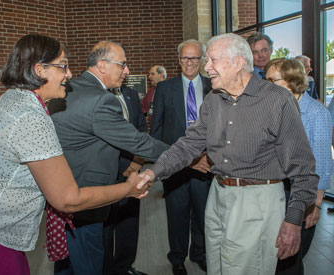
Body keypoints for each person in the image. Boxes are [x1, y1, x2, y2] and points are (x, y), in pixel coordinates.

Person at [0, 34, 149, 275]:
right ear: (39, 70)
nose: (69, 74)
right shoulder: (30, 116)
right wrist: (128, 189)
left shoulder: (13, 101)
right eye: (63, 66)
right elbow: (67, 199)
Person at [137, 33, 319, 275]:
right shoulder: (213, 100)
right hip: (218, 194)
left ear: (237, 63)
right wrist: (152, 171)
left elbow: (304, 169)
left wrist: (293, 221)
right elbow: (188, 144)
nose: (206, 66)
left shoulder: (277, 100)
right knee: (218, 267)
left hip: (257, 201)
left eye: (212, 60)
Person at [51, 41, 169, 275]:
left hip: (63, 190)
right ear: (102, 65)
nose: (127, 71)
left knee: (68, 264)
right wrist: (184, 153)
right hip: (85, 198)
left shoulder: (69, 87)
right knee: (88, 264)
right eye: (122, 64)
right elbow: (138, 142)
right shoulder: (100, 99)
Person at [150, 39, 212, 275]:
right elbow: (157, 129)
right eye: (185, 58)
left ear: (202, 60)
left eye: (194, 58)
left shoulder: (212, 86)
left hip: (206, 162)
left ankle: (200, 253)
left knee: (202, 212)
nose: (189, 62)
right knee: (176, 214)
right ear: (178, 60)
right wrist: (162, 163)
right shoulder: (165, 88)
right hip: (175, 164)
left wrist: (209, 156)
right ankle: (177, 259)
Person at [265, 58, 332, 275]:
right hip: (276, 190)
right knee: (278, 253)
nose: (266, 85)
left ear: (291, 81)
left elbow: (321, 161)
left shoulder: (316, 113)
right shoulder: (274, 109)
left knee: (290, 257)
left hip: (302, 194)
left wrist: (316, 204)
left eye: (272, 80)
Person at [103, 85, 148, 275]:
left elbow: (141, 128)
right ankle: (105, 270)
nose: (125, 70)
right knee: (105, 227)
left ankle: (124, 268)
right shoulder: (96, 95)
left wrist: (137, 162)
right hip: (105, 172)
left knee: (128, 222)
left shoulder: (130, 94)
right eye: (121, 65)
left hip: (132, 170)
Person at [141, 65, 167, 130]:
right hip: (154, 128)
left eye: (152, 74)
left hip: (167, 129)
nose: (149, 76)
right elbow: (142, 107)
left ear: (161, 75)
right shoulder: (150, 92)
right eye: (149, 74)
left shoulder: (170, 90)